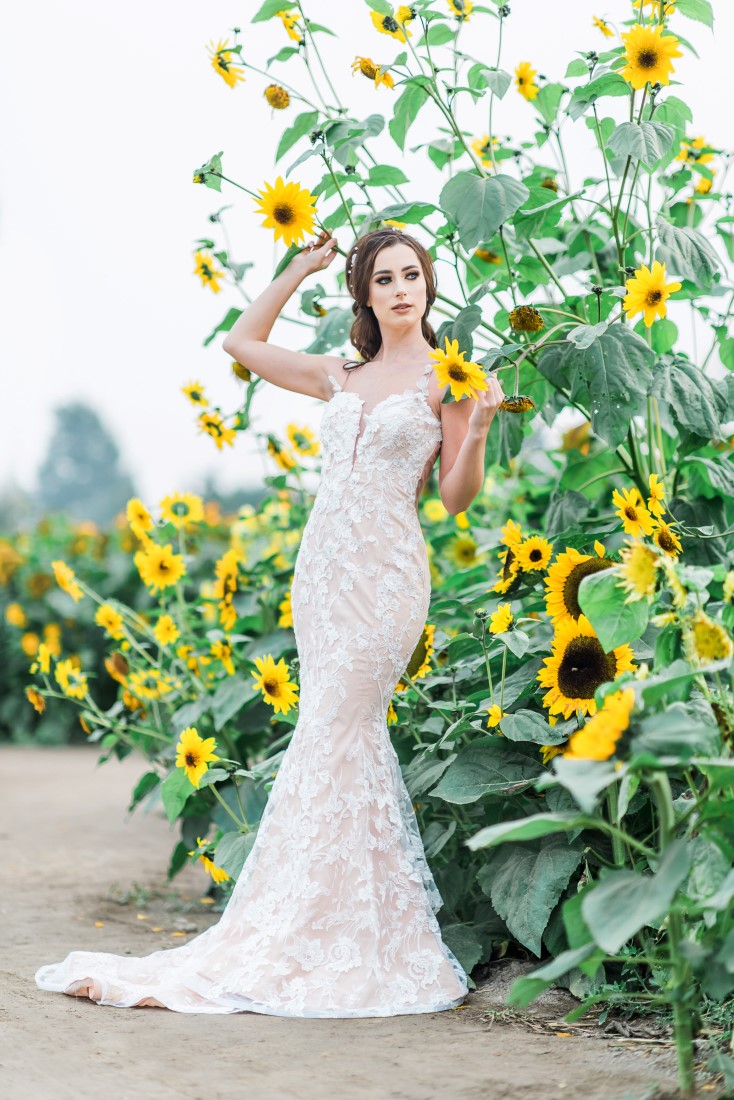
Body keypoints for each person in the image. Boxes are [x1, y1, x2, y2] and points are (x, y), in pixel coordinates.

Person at [34, 226, 505, 1017]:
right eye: (383, 278)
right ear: (364, 294)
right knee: (332, 739)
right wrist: (298, 268)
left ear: (429, 285)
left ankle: (328, 929)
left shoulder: (447, 379)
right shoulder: (340, 374)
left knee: (340, 728)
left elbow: (456, 498)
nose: (399, 289)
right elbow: (241, 343)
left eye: (411, 275)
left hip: (387, 573)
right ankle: (322, 922)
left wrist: (482, 429)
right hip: (322, 574)